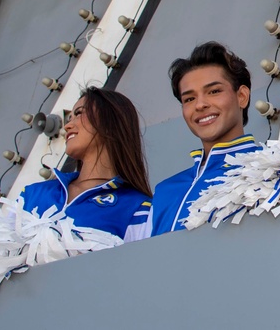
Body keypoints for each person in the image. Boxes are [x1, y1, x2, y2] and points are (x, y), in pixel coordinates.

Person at [145, 41, 262, 236]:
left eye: (214, 91)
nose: (200, 105)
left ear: (242, 96)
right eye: (189, 99)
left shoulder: (272, 170)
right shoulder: (164, 192)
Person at [18, 86, 152, 242]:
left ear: (110, 123)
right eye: (69, 119)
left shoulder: (137, 208)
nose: (67, 126)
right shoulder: (31, 194)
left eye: (79, 113)